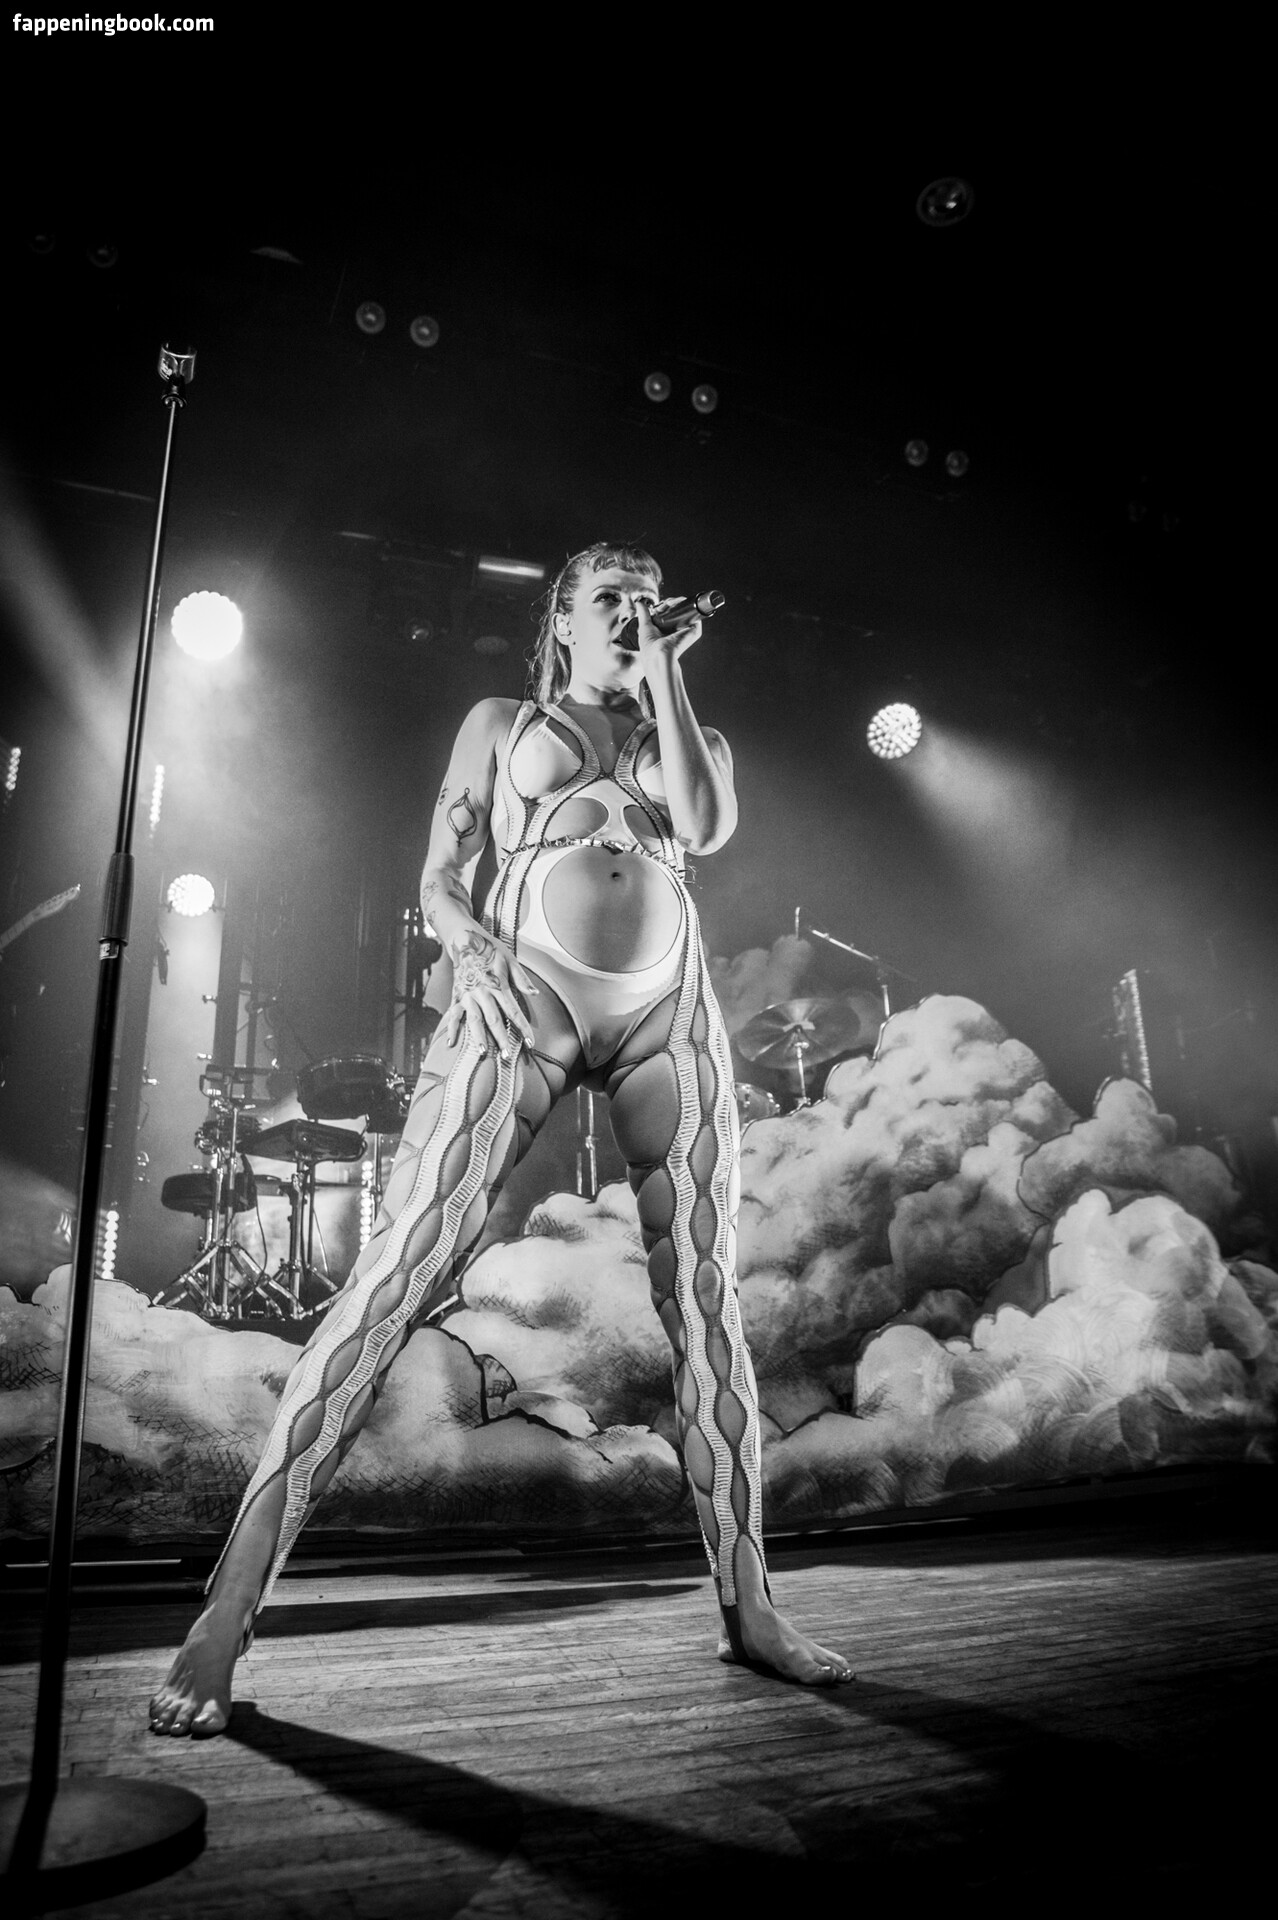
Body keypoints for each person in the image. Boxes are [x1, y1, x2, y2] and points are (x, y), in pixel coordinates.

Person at [149, 541, 853, 1737]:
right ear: (562, 620)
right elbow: (439, 872)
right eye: (612, 599)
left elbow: (704, 825)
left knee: (706, 1303)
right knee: (392, 1278)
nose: (635, 612)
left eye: (649, 599)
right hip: (522, 997)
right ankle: (223, 1621)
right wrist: (468, 945)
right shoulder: (501, 722)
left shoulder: (689, 729)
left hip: (667, 1016)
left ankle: (752, 1610)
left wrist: (668, 674)